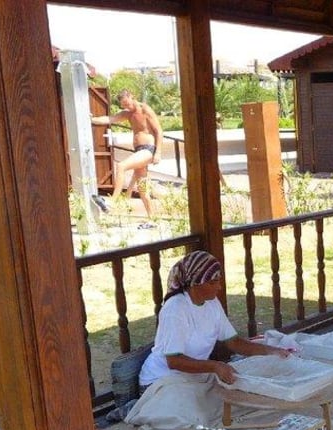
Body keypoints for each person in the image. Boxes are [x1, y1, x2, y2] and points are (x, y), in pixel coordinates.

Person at [138, 251, 289, 391]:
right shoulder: (176, 308)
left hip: (192, 378)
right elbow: (174, 361)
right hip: (160, 381)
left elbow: (234, 342)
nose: (219, 287)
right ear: (195, 283)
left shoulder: (212, 303)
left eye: (219, 281)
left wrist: (272, 351)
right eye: (213, 282)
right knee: (207, 406)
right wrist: (215, 366)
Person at [92, 89, 164, 225]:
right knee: (143, 190)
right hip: (139, 150)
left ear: (132, 97)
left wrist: (158, 152)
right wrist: (91, 119)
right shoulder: (127, 113)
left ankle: (112, 203)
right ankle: (152, 219)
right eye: (124, 105)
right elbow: (109, 119)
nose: (127, 107)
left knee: (121, 166)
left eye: (127, 103)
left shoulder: (145, 109)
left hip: (148, 149)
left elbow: (159, 131)